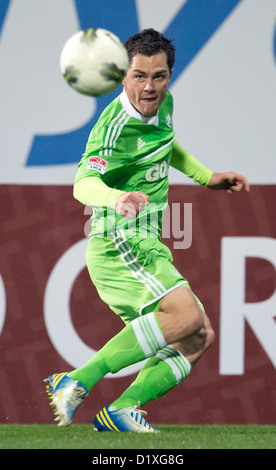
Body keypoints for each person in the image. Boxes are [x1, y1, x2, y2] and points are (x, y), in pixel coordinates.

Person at [44, 28, 250, 433]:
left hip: (145, 239)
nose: (150, 87)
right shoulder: (114, 128)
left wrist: (207, 177)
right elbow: (82, 183)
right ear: (123, 75)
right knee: (187, 316)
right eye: (139, 75)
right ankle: (76, 381)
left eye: (159, 76)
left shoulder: (164, 104)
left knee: (199, 336)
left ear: (170, 76)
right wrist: (114, 199)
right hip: (119, 239)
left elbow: (166, 145)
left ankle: (123, 408)